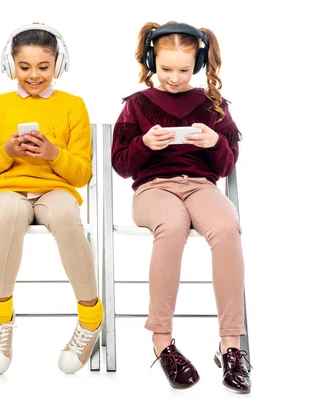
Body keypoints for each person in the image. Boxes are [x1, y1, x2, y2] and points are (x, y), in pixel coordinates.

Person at [111, 21, 251, 393]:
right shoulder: (137, 105)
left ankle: (231, 345)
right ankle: (162, 341)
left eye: (184, 70)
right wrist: (145, 144)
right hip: (153, 189)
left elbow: (224, 167)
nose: (174, 78)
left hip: (201, 186)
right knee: (171, 226)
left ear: (199, 65)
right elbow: (122, 165)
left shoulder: (212, 105)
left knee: (225, 228)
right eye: (165, 69)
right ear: (152, 61)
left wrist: (214, 142)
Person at [0, 23, 103, 375]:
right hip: (6, 190)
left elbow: (82, 175)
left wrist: (53, 153)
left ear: (58, 65)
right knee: (11, 214)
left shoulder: (73, 106)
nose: (34, 75)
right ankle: (0, 321)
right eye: (25, 67)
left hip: (55, 188)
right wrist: (7, 151)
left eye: (43, 67)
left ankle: (91, 318)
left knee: (63, 215)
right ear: (10, 65)